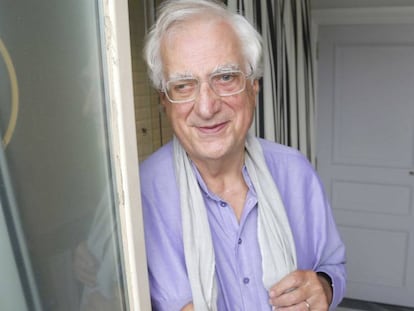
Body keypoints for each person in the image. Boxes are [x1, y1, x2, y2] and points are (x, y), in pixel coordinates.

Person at [140, 0, 346, 310]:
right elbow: (97, 288)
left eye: (225, 78)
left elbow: (333, 265)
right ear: (164, 102)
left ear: (253, 87)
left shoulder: (295, 172)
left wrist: (324, 288)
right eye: (183, 85)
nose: (207, 107)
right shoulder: (137, 194)